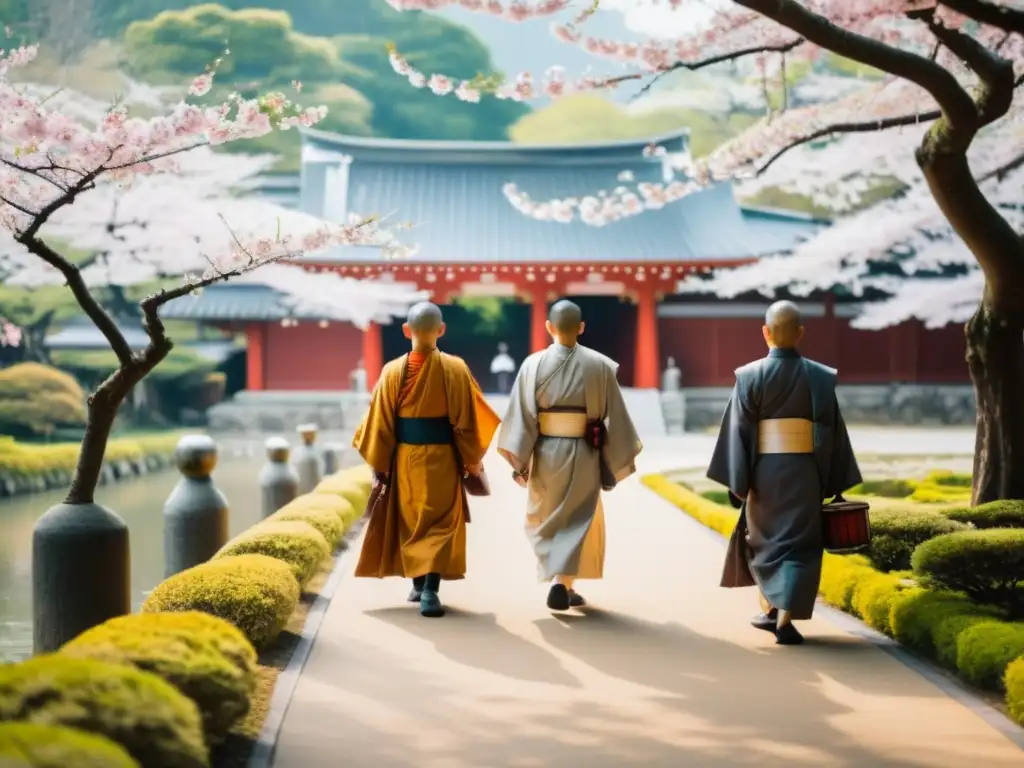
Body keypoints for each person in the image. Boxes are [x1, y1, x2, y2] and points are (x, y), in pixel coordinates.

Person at [707, 300, 862, 645]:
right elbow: (834, 432)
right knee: (801, 546)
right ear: (801, 334)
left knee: (766, 544)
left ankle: (775, 614)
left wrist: (739, 481)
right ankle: (782, 618)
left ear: (765, 332)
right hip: (806, 472)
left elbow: (739, 433)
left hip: (765, 475)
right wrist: (833, 480)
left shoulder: (749, 376)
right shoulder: (820, 377)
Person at [352, 301, 501, 618]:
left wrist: (381, 466)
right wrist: (472, 461)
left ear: (406, 331)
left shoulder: (392, 371)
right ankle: (429, 590)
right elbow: (468, 424)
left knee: (413, 522)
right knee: (439, 524)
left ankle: (421, 585)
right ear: (441, 330)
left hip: (406, 459)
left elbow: (379, 425)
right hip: (444, 459)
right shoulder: (456, 369)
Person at [497, 299, 642, 611]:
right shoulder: (600, 366)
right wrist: (612, 457)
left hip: (545, 452)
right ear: (581, 328)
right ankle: (562, 582)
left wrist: (520, 462)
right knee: (578, 518)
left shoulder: (532, 365)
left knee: (547, 518)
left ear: (549, 327)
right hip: (584, 453)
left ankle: (561, 582)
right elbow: (614, 418)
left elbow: (522, 417)